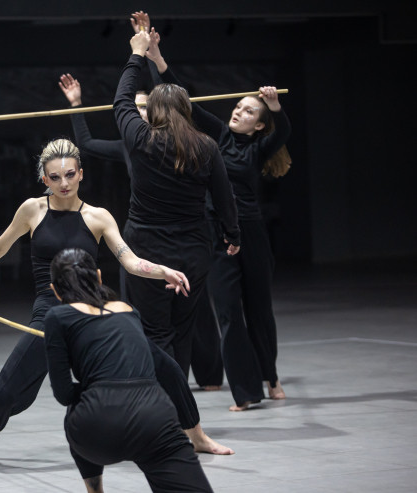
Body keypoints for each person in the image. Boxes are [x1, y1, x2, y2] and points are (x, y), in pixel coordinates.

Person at [0, 138, 233, 469]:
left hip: (95, 309)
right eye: (55, 177)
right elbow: (0, 246)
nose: (64, 183)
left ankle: (197, 436)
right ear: (45, 179)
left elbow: (129, 260)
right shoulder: (32, 210)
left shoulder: (98, 217)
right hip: (51, 311)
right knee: (7, 389)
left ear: (81, 173)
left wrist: (162, 270)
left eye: (70, 175)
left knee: (167, 368)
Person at [138, 12, 292, 410]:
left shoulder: (259, 148)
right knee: (227, 312)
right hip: (216, 234)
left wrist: (275, 108)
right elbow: (182, 104)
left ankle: (270, 375)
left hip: (250, 232)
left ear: (259, 126)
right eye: (238, 106)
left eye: (249, 112)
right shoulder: (217, 137)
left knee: (259, 309)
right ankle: (246, 393)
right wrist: (157, 59)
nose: (239, 112)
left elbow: (284, 132)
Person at [59, 64, 224, 391]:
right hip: (151, 241)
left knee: (193, 316)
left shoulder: (192, 143)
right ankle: (166, 387)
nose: (139, 112)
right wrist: (76, 104)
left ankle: (205, 378)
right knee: (155, 320)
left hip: (188, 239)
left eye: (146, 106)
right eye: (135, 108)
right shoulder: (132, 142)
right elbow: (87, 144)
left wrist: (152, 58)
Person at [114, 29, 240, 382]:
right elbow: (224, 196)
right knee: (182, 330)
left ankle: (163, 406)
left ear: (151, 112)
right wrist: (233, 234)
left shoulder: (140, 138)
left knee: (155, 331)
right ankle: (181, 406)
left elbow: (121, 101)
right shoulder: (206, 146)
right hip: (193, 253)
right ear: (187, 110)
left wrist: (136, 55)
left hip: (146, 251)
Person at [45, 247, 213, 493]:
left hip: (97, 429)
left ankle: (95, 490)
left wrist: (94, 390)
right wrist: (195, 431)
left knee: (78, 402)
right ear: (99, 277)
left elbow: (63, 394)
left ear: (55, 290)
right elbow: (169, 369)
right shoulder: (128, 311)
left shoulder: (57, 317)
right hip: (156, 421)